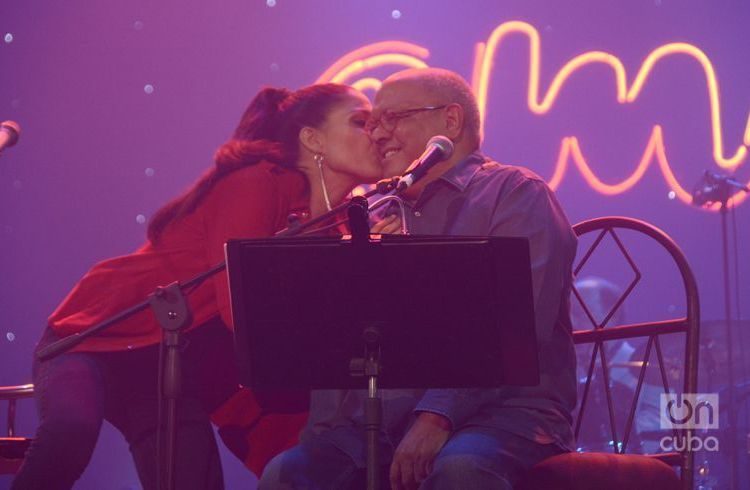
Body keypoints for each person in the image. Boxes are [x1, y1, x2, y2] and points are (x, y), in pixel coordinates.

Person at [12, 83, 385, 490]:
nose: (377, 134)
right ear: (312, 139)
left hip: (164, 372)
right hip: (93, 339)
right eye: (360, 121)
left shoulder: (345, 224)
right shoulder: (256, 183)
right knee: (69, 433)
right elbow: (240, 312)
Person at [260, 68, 578, 490]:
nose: (377, 133)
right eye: (372, 122)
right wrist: (323, 439)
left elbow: (512, 326)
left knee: (459, 469)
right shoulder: (378, 214)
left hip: (506, 415)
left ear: (450, 121)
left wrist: (436, 416)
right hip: (385, 425)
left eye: (394, 118)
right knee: (288, 474)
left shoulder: (516, 194)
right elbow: (350, 341)